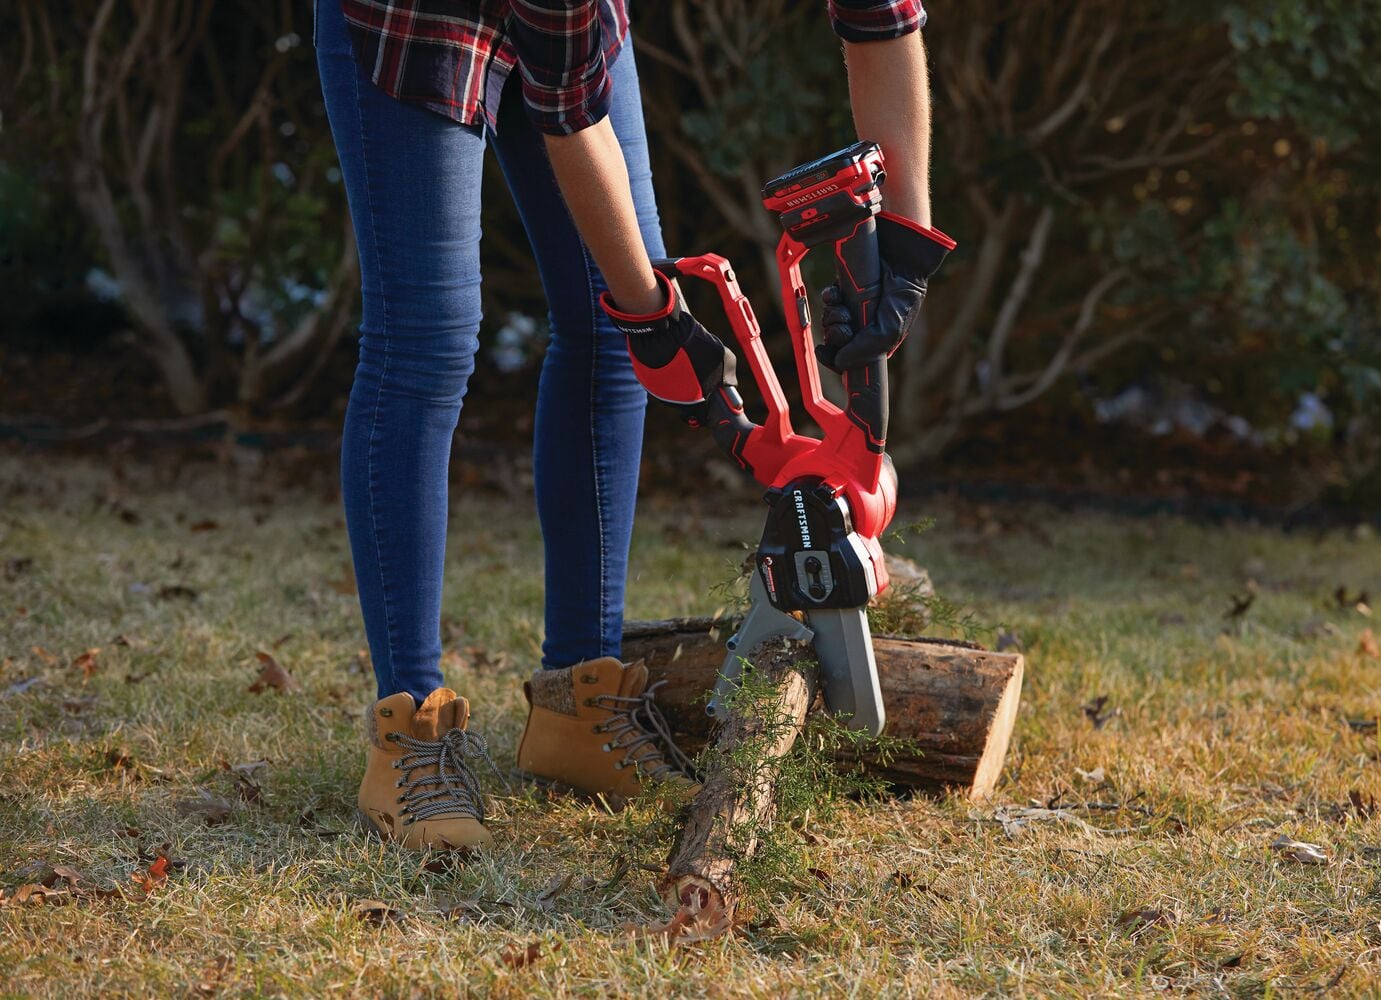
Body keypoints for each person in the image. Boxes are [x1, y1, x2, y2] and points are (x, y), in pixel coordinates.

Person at [315, 0, 953, 852]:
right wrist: (656, 318)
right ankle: (411, 731)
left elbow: (883, 19)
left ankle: (580, 702)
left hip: (568, 29)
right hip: (417, 17)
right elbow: (571, 117)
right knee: (428, 341)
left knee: (610, 342)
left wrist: (902, 249)